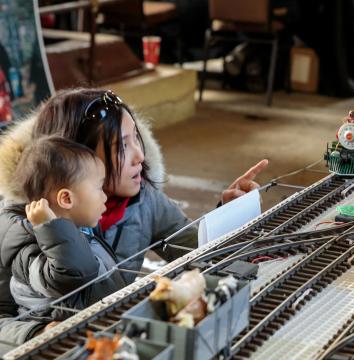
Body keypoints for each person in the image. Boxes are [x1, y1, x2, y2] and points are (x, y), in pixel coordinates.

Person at [0, 87, 268, 346]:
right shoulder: (22, 225)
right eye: (122, 146)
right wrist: (39, 334)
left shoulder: (143, 201)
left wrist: (230, 211)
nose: (140, 156)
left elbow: (198, 253)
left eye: (136, 138)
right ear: (76, 155)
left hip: (108, 342)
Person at [7, 135, 126, 322]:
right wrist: (51, 228)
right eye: (99, 188)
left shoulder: (81, 230)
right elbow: (71, 276)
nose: (105, 197)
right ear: (67, 199)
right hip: (64, 343)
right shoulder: (29, 251)